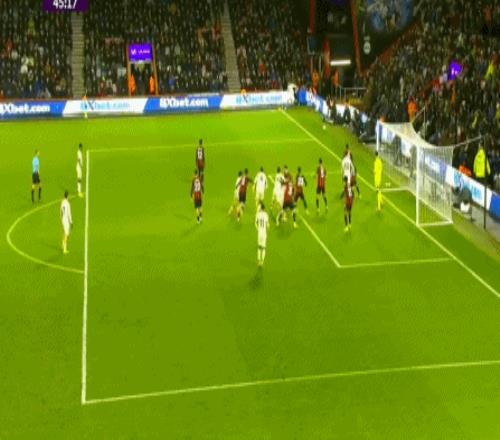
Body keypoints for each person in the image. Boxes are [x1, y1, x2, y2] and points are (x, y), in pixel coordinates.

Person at [255, 202, 270, 267]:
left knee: (259, 247)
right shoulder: (266, 215)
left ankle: (258, 261)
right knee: (263, 248)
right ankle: (262, 261)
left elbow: (255, 224)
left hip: (259, 233)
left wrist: (258, 229)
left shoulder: (258, 214)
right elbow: (268, 225)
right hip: (264, 233)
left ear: (260, 207)